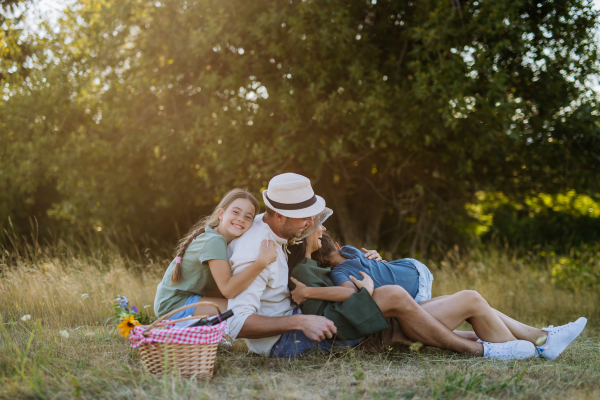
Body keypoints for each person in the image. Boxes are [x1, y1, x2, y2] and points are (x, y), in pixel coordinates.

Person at [225, 173, 562, 360]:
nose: (312, 224)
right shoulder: (254, 248)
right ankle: (483, 349)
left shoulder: (276, 228)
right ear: (280, 214)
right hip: (287, 341)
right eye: (306, 219)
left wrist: (361, 259)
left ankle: (532, 341)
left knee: (411, 313)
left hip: (311, 317)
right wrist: (302, 320)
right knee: (394, 300)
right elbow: (236, 324)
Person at [290, 220, 587, 360]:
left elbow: (343, 287)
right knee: (470, 299)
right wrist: (364, 289)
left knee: (473, 303)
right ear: (305, 238)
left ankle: (540, 339)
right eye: (316, 226)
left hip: (388, 317)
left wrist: (373, 265)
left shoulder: (321, 267)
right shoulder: (307, 270)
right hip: (381, 325)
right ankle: (531, 344)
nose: (321, 227)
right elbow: (339, 302)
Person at [153, 188, 278, 320]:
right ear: (221, 214)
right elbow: (228, 290)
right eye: (235, 212)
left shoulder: (221, 240)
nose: (241, 219)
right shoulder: (214, 241)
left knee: (242, 305)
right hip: (174, 304)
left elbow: (216, 291)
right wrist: (262, 261)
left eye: (248, 217)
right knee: (240, 309)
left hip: (173, 301)